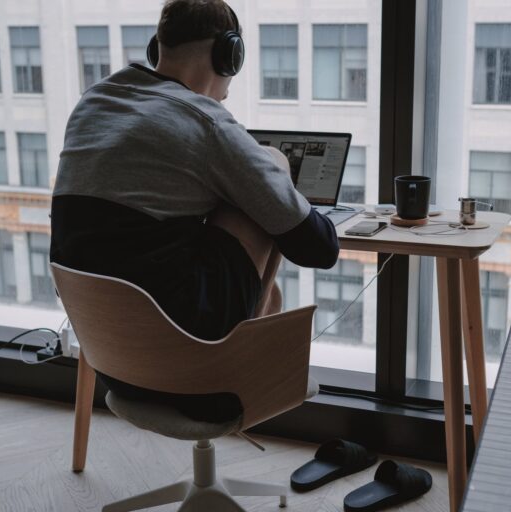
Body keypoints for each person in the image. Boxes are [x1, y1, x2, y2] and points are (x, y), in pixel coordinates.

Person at [50, 0, 339, 422]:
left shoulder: (93, 102)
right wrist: (271, 169)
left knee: (235, 210)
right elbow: (319, 249)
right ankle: (242, 358)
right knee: (267, 169)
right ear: (229, 54)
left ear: (157, 49)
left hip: (114, 365)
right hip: (197, 376)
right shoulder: (208, 124)